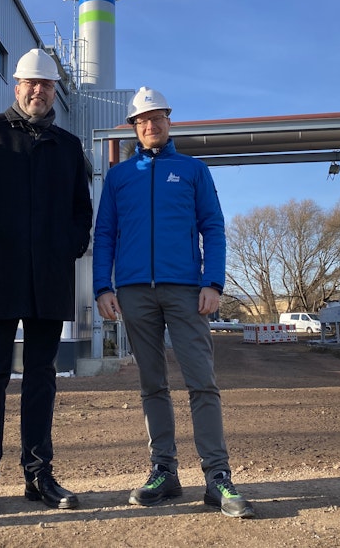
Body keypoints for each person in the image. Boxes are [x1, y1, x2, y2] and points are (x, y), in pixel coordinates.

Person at [92, 87, 256, 519]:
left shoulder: (193, 171)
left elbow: (213, 227)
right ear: (133, 127)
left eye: (158, 117)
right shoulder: (119, 178)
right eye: (142, 120)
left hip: (186, 290)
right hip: (133, 292)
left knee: (201, 382)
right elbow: (104, 234)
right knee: (152, 385)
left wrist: (213, 283)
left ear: (169, 121)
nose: (151, 125)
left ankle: (217, 477)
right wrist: (102, 288)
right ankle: (163, 471)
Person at [0, 48, 93, 516]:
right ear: (17, 87)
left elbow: (80, 210)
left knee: (41, 377)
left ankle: (38, 474)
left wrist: (66, 247)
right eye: (31, 84)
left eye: (47, 85)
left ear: (55, 91)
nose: (38, 91)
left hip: (49, 278)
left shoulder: (69, 147)